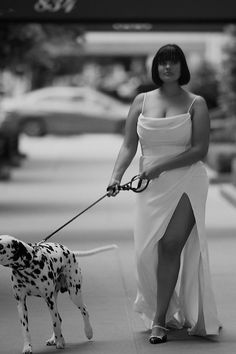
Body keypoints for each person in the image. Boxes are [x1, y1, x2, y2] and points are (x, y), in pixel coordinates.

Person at [107, 44, 221, 344]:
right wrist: (115, 177)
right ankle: (165, 309)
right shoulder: (141, 101)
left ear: (182, 67)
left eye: (173, 63)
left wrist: (160, 167)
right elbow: (129, 145)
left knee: (170, 245)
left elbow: (199, 150)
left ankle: (159, 321)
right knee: (147, 254)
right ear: (155, 68)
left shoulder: (196, 103)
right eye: (162, 63)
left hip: (186, 180)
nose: (167, 68)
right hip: (150, 186)